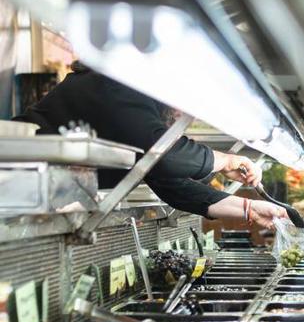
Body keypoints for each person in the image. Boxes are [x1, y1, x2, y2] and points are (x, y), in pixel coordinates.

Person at [13, 62, 287, 228]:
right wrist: (226, 161)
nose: (182, 115)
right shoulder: (116, 84)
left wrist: (249, 210)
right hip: (14, 194)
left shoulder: (131, 99)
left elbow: (171, 183)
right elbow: (165, 157)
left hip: (34, 204)